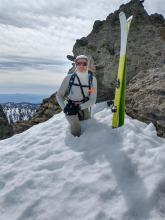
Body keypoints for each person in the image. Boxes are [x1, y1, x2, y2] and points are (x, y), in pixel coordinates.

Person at [56, 55, 97, 137]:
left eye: (84, 63)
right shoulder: (69, 78)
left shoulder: (92, 80)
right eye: (79, 63)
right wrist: (65, 108)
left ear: (87, 65)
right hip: (70, 107)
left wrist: (79, 107)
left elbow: (92, 99)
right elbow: (59, 95)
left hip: (84, 106)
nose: (81, 65)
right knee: (76, 129)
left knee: (89, 126)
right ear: (76, 64)